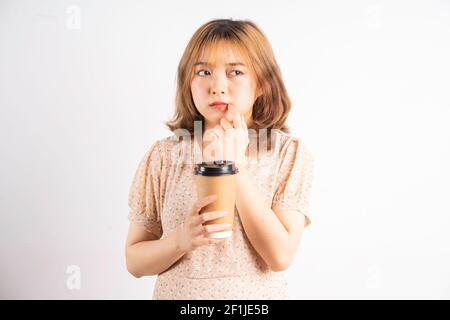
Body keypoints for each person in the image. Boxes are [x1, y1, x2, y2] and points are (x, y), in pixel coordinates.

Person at [125, 18, 314, 299]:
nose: (217, 86)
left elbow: (280, 256)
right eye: (203, 72)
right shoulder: (164, 156)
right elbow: (134, 261)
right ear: (188, 81)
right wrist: (180, 240)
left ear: (261, 83)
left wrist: (233, 164)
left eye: (235, 71)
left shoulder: (287, 154)